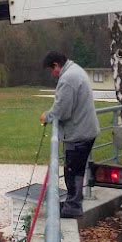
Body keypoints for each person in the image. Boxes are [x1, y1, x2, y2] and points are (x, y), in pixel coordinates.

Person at [40, 50, 100, 219]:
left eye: (51, 70)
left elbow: (62, 110)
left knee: (72, 171)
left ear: (56, 65)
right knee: (77, 169)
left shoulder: (67, 79)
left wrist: (47, 116)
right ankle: (72, 203)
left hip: (79, 133)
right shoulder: (75, 70)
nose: (52, 74)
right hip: (86, 130)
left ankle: (73, 207)